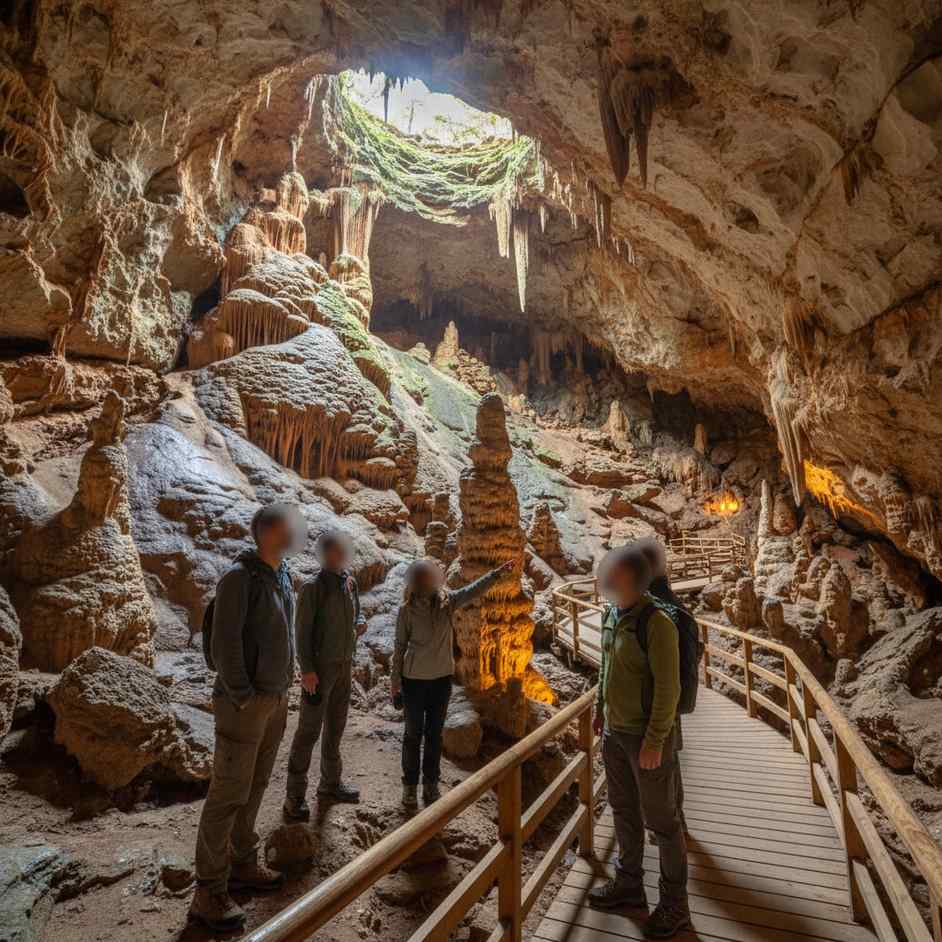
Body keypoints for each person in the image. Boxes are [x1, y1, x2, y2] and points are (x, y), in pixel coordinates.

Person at [190, 504, 301, 932]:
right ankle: (208, 890)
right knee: (228, 793)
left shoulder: (282, 576)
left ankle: (241, 862)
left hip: (275, 700)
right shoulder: (239, 579)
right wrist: (243, 696)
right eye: (289, 527)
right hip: (247, 704)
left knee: (254, 785)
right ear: (268, 533)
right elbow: (225, 644)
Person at [589, 545, 690, 939]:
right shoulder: (611, 615)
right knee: (624, 811)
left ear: (632, 579)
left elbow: (669, 689)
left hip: (646, 739)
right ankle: (629, 883)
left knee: (663, 823)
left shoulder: (657, 623)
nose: (606, 581)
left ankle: (675, 905)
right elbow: (606, 667)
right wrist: (599, 708)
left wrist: (655, 741)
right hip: (615, 733)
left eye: (613, 575)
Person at [391, 557, 515, 808]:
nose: (429, 578)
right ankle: (409, 787)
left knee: (434, 734)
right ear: (416, 580)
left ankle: (431, 784)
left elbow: (473, 590)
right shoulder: (407, 610)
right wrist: (395, 682)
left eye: (430, 574)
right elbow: (399, 646)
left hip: (440, 681)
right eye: (424, 575)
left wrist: (496, 574)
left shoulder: (447, 603)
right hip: (413, 681)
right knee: (413, 735)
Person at [284, 529, 366, 819]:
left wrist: (360, 622)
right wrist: (306, 670)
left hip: (344, 666)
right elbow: (302, 632)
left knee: (335, 728)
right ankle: (294, 796)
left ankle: (330, 784)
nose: (343, 554)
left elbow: (357, 611)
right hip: (319, 670)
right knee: (308, 731)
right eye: (337, 550)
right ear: (325, 553)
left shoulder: (349, 583)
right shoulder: (312, 588)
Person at [637, 538, 688, 839]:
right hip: (670, 702)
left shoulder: (658, 607)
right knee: (669, 764)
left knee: (659, 768)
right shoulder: (670, 598)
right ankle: (676, 822)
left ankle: (666, 829)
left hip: (657, 704)